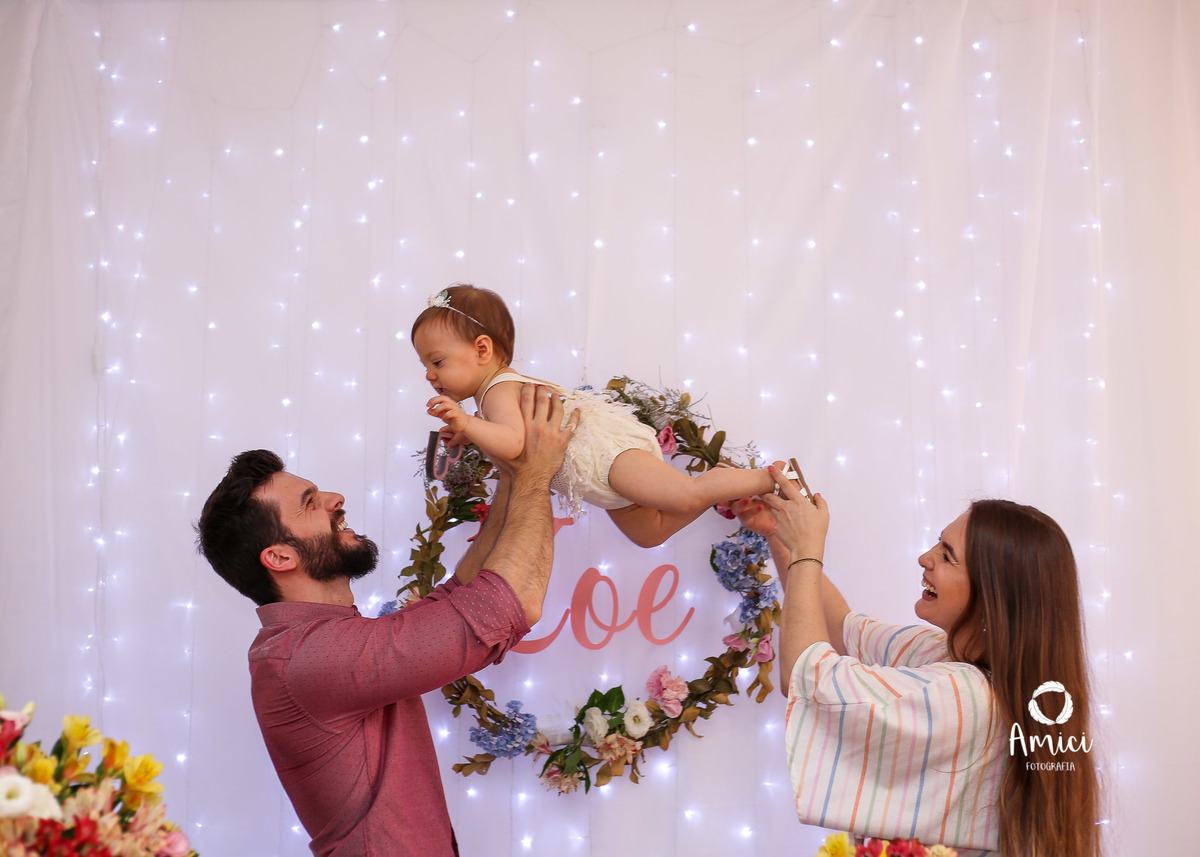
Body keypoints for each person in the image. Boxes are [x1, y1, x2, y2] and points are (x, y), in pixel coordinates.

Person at [195, 384, 578, 857]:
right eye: (310, 502)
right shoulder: (308, 659)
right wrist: (538, 472)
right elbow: (511, 603)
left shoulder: (325, 639)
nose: (335, 498)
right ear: (278, 556)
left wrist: (513, 473)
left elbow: (463, 595)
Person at [734, 470, 1101, 856]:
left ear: (994, 595)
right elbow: (841, 628)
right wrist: (780, 535)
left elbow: (805, 677)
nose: (925, 558)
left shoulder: (968, 696)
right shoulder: (943, 654)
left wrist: (809, 550)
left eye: (947, 555)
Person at [411, 283, 779, 548]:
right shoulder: (492, 396)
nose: (429, 374)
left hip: (606, 456)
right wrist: (468, 432)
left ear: (482, 349)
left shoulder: (497, 391)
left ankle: (770, 476)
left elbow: (514, 441)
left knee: (683, 495)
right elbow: (510, 436)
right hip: (598, 479)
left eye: (437, 361)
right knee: (648, 534)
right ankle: (723, 487)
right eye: (425, 365)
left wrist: (469, 423)